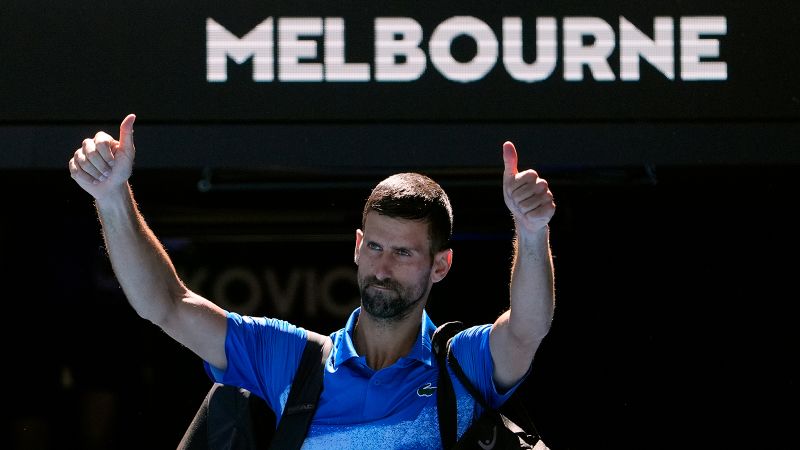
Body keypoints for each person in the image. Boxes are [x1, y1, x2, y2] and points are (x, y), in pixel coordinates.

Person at [68, 114, 556, 449]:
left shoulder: (461, 366)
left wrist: (532, 232)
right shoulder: (290, 360)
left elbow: (527, 328)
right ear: (358, 245)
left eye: (404, 253)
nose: (382, 268)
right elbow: (167, 305)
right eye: (375, 247)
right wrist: (112, 197)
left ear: (441, 265)